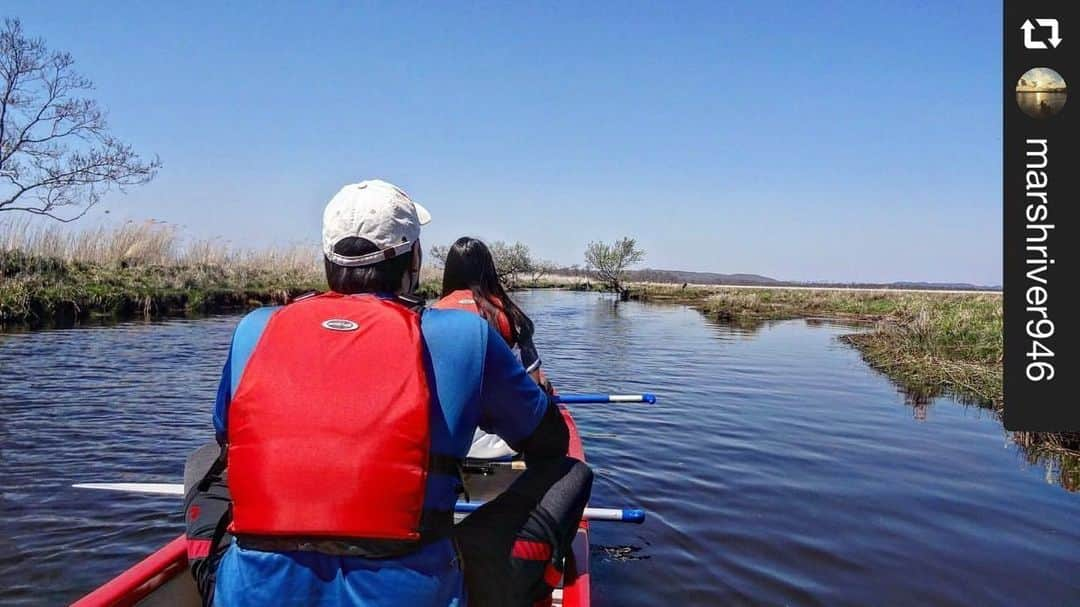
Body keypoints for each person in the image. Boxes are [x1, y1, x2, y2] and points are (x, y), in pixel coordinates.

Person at [183, 179, 591, 607]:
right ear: (412, 259)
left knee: (203, 462)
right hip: (415, 593)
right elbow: (550, 443)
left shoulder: (255, 328)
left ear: (327, 260)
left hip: (252, 594)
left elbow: (226, 440)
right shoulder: (465, 335)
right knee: (570, 472)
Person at [434, 237, 553, 459]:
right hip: (501, 444)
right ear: (488, 269)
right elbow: (533, 382)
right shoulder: (512, 316)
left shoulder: (429, 316)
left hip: (444, 443)